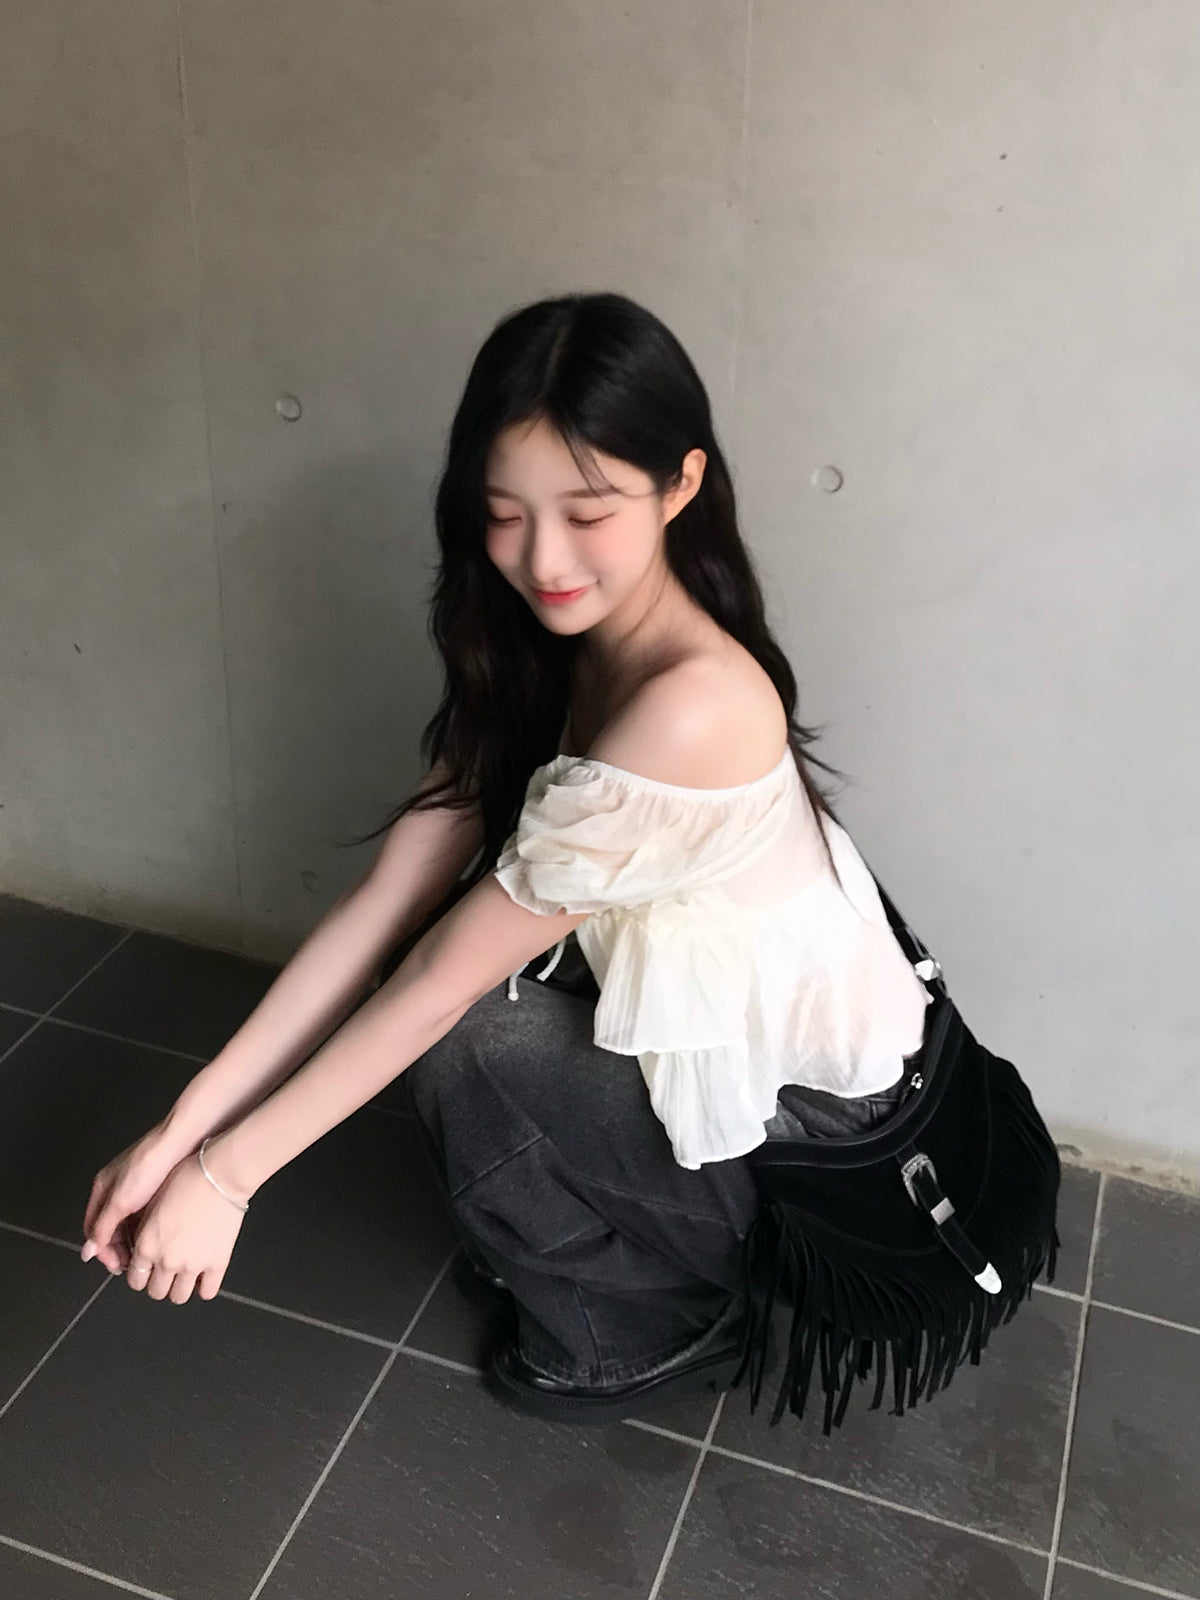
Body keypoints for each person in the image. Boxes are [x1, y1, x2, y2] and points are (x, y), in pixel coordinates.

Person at [80, 291, 931, 1425]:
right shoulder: (556, 644)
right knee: (472, 1003)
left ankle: (649, 1324)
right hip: (732, 1049)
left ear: (681, 483)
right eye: (503, 513)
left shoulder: (694, 705)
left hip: (819, 1147)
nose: (544, 559)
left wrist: (225, 1179)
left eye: (589, 511)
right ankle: (616, 1230)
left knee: (475, 1039)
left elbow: (438, 979)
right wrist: (178, 1135)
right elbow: (390, 899)